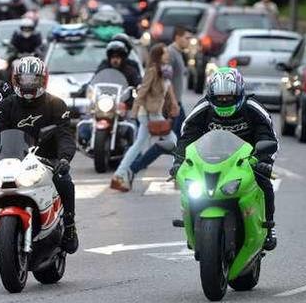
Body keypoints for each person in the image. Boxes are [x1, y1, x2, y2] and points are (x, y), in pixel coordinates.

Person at [172, 67, 279, 251]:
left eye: (228, 97)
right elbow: (186, 136)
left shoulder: (253, 108)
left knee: (264, 183)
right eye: (219, 98)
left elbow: (268, 137)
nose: (223, 101)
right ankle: (192, 227)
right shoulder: (203, 108)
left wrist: (264, 161)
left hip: (247, 160)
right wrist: (178, 162)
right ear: (211, 96)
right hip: (210, 160)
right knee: (190, 188)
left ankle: (269, 227)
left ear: (239, 94)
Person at [0, 57, 79, 253]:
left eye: (33, 80)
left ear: (43, 80)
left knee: (65, 181)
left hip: (49, 160)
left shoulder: (57, 104)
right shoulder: (6, 106)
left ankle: (70, 225)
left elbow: (65, 135)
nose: (28, 85)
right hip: (13, 160)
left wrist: (64, 158)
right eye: (24, 80)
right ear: (16, 80)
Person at [111, 44, 180, 192]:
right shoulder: (153, 71)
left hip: (155, 113)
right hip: (148, 114)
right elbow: (142, 92)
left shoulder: (164, 71)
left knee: (138, 145)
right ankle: (178, 176)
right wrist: (135, 111)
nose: (167, 54)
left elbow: (167, 90)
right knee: (174, 142)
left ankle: (119, 175)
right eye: (165, 52)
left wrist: (173, 103)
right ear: (159, 55)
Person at [129, 27, 190, 174]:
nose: (189, 41)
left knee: (182, 139)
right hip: (170, 107)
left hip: (176, 104)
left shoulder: (177, 54)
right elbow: (164, 83)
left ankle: (181, 169)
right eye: (186, 38)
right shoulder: (171, 55)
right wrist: (170, 104)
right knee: (169, 142)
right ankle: (136, 166)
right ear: (177, 37)